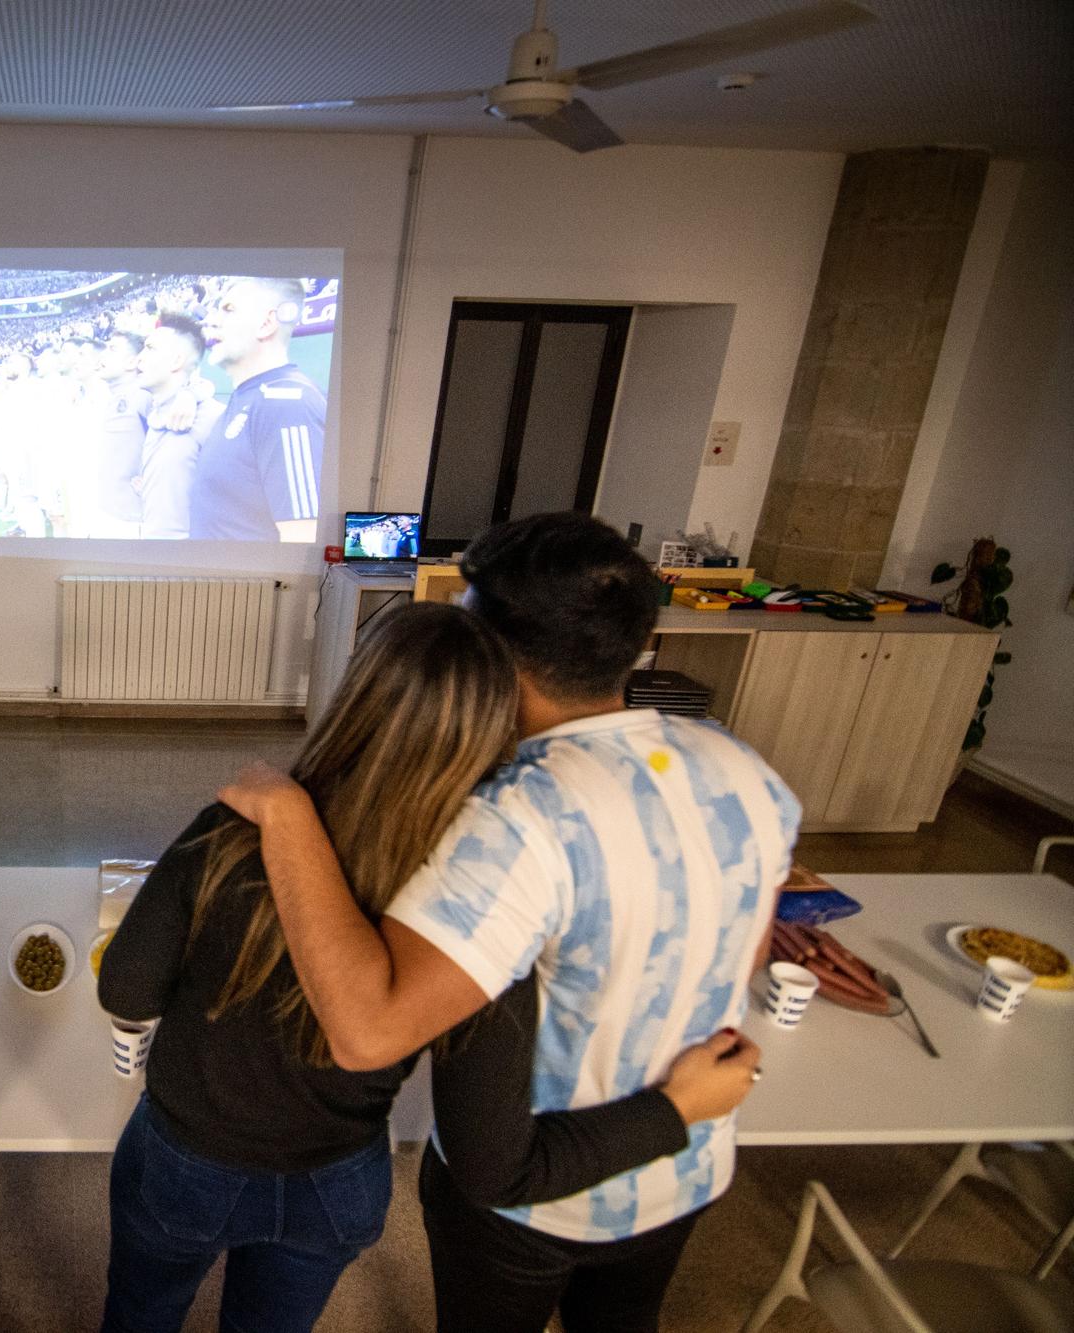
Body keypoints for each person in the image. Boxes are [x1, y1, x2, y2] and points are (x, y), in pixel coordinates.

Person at [97, 600, 763, 1333]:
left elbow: (126, 986)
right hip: (338, 1180)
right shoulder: (476, 899)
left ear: (355, 697)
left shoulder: (229, 835)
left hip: (183, 1158)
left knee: (139, 1311)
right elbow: (484, 1101)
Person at [188, 277, 327, 543]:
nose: (212, 320)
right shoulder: (249, 396)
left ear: (266, 324)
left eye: (228, 309)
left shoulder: (288, 404)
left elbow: (302, 536)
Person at [133, 313, 222, 540]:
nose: (139, 358)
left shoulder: (212, 418)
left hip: (190, 557)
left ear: (176, 361)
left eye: (150, 348)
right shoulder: (154, 413)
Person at [78, 330, 153, 539]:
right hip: (103, 511)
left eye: (112, 349)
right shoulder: (109, 398)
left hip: (130, 520)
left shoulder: (144, 396)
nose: (103, 355)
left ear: (132, 362)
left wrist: (155, 482)